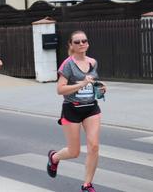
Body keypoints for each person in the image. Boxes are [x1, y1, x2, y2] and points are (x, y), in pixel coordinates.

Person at [47, 30, 106, 192]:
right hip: (72, 109)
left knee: (94, 146)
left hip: (91, 108)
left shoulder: (93, 62)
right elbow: (60, 90)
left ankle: (87, 185)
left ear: (88, 43)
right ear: (71, 45)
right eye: (77, 42)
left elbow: (93, 84)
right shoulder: (67, 65)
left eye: (84, 41)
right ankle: (54, 157)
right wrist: (80, 84)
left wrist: (100, 89)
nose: (81, 44)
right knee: (74, 152)